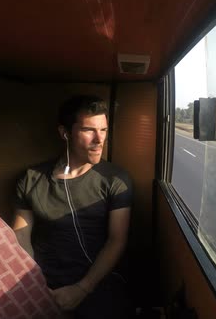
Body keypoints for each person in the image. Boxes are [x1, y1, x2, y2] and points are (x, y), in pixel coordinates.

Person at [12, 95, 132, 318]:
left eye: (103, 130)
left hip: (96, 280)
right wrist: (35, 285)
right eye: (89, 130)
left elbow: (117, 239)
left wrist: (82, 288)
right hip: (42, 282)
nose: (99, 139)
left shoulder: (115, 180)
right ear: (65, 133)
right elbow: (21, 237)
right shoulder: (30, 179)